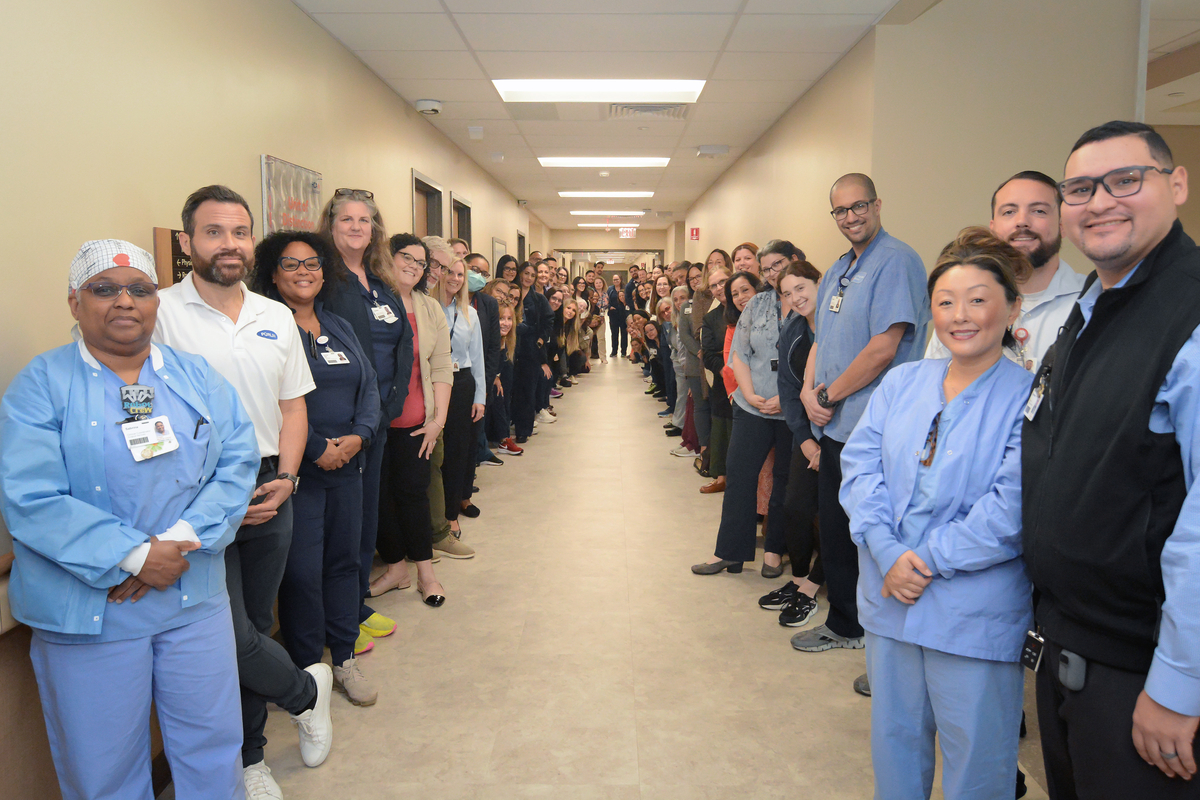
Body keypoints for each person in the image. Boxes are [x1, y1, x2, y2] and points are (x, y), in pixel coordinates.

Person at [0, 239, 258, 800]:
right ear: (75, 302)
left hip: (192, 594)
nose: (124, 301)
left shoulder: (195, 376)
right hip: (89, 609)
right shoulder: (41, 385)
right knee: (104, 767)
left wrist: (177, 541)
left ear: (156, 302)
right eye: (104, 289)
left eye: (139, 289)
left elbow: (238, 462)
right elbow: (31, 496)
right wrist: (135, 555)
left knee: (214, 747)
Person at [1024, 121, 1200, 797]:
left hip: (1142, 670)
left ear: (1176, 184)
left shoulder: (1187, 314)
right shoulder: (1093, 306)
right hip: (1069, 643)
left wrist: (1178, 685)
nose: (1100, 202)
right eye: (1080, 189)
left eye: (1125, 180)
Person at [154, 186, 333, 797]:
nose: (228, 244)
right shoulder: (159, 312)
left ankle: (251, 758)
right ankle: (306, 693)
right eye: (213, 232)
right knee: (227, 636)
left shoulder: (274, 316)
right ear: (187, 242)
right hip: (192, 493)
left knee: (256, 621)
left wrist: (287, 479)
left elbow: (293, 408)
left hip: (268, 484)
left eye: (239, 232)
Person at [843, 227, 1034, 799]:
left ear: (1012, 307)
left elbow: (1011, 509)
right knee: (895, 742)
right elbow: (860, 468)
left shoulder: (1030, 398)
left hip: (971, 610)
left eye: (978, 299)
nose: (960, 316)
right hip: (889, 596)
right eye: (946, 302)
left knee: (978, 756)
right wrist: (886, 551)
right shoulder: (902, 383)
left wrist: (921, 561)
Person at [795, 174, 930, 671]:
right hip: (834, 424)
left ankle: (887, 647)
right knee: (835, 531)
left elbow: (883, 348)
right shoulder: (838, 269)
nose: (850, 217)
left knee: (873, 537)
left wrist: (828, 394)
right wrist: (810, 391)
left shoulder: (896, 261)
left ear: (877, 205)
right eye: (841, 210)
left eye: (858, 206)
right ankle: (845, 624)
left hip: (872, 427)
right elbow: (821, 339)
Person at [249, 231, 382, 707]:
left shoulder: (338, 324)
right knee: (302, 575)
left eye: (312, 264)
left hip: (347, 467)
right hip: (297, 474)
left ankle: (343, 658)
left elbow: (369, 386)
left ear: (325, 273)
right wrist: (317, 447)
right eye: (291, 264)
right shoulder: (266, 329)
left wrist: (360, 436)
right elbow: (267, 401)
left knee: (345, 564)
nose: (303, 272)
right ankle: (310, 671)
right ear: (272, 273)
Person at [316, 187, 407, 657]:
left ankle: (355, 605)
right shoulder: (325, 281)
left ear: (375, 230)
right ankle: (339, 616)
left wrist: (390, 405)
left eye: (364, 220)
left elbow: (402, 344)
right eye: (346, 219)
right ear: (330, 227)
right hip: (342, 424)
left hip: (379, 420)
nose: (356, 227)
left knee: (366, 519)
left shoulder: (380, 280)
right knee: (342, 528)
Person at [693, 242, 803, 576]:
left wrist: (788, 397)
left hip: (792, 409)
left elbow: (820, 357)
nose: (772, 273)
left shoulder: (807, 303)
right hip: (751, 404)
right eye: (766, 269)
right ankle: (729, 552)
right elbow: (737, 354)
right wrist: (750, 393)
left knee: (784, 481)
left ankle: (773, 551)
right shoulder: (757, 303)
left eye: (778, 265)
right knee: (739, 476)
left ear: (795, 261)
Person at [926, 171, 1086, 372]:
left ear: (1063, 226)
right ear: (993, 228)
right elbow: (933, 380)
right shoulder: (960, 306)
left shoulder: (1091, 301)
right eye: (1009, 212)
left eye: (1039, 211)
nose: (1022, 221)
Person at [369, 235, 453, 606]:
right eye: (407, 257)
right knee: (380, 499)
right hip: (373, 423)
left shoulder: (430, 308)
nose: (414, 267)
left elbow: (441, 366)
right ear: (387, 256)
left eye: (421, 263)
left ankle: (426, 574)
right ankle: (395, 568)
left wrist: (438, 421)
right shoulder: (369, 299)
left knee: (414, 497)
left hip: (417, 422)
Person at [761, 259, 825, 628]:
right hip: (807, 436)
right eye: (787, 293)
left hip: (843, 436)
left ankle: (812, 587)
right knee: (795, 508)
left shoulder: (839, 325)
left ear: (819, 282)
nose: (796, 297)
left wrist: (825, 443)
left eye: (801, 288)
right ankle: (799, 579)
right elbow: (788, 389)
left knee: (835, 517)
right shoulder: (794, 331)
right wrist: (805, 440)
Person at [436, 256, 486, 541]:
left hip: (462, 382)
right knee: (434, 452)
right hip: (432, 383)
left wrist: (480, 397)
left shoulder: (470, 313)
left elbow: (477, 357)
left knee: (457, 451)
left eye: (460, 275)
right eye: (450, 272)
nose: (454, 279)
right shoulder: (428, 309)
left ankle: (451, 512)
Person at [467, 253, 503, 471]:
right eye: (474, 270)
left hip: (480, 375)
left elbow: (493, 346)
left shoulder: (488, 304)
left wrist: (487, 380)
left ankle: (471, 468)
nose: (478, 276)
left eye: (484, 273)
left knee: (475, 422)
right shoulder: (445, 300)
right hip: (454, 376)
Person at [700, 263, 734, 494]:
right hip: (724, 383)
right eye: (714, 285)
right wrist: (726, 373)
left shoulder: (748, 308)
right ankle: (722, 477)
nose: (719, 288)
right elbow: (709, 353)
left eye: (723, 282)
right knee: (722, 429)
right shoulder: (711, 318)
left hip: (753, 382)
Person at [513, 261, 552, 443]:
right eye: (526, 273)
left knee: (527, 391)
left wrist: (540, 340)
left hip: (531, 350)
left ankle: (523, 429)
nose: (528, 278)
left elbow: (548, 321)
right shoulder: (511, 293)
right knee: (511, 389)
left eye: (532, 275)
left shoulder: (539, 299)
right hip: (511, 347)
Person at [608, 272, 628, 357]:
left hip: (623, 314)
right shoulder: (610, 289)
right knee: (614, 333)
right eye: (614, 280)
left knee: (624, 333)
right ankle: (614, 351)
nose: (615, 281)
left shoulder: (625, 288)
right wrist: (609, 307)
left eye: (617, 279)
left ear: (620, 280)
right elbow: (606, 300)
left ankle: (623, 351)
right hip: (613, 315)